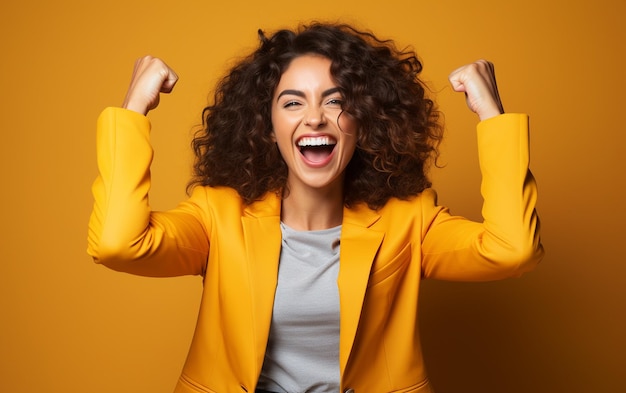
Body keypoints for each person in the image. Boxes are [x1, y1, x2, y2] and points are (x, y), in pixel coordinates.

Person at [87, 22, 544, 393]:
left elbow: (512, 250)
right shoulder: (216, 213)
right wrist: (134, 109)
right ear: (267, 126)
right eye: (292, 102)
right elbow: (118, 245)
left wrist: (492, 115)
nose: (315, 118)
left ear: (364, 122)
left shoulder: (411, 218)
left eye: (336, 101)